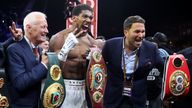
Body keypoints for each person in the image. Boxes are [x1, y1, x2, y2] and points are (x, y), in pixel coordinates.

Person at [102, 15, 164, 108]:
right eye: (137, 31)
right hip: (113, 100)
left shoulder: (151, 48)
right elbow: (99, 67)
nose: (141, 35)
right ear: (126, 32)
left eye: (143, 31)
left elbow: (164, 69)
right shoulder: (110, 45)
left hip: (137, 101)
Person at [49, 4, 104, 108]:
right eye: (85, 16)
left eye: (91, 17)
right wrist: (65, 50)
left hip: (85, 89)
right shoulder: (58, 38)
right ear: (74, 18)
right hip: (64, 86)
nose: (88, 20)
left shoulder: (94, 43)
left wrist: (92, 60)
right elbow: (53, 67)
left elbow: (99, 72)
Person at [6, 11, 48, 108]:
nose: (47, 31)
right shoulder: (14, 50)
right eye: (43, 27)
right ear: (29, 28)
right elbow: (20, 83)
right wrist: (43, 65)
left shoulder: (41, 50)